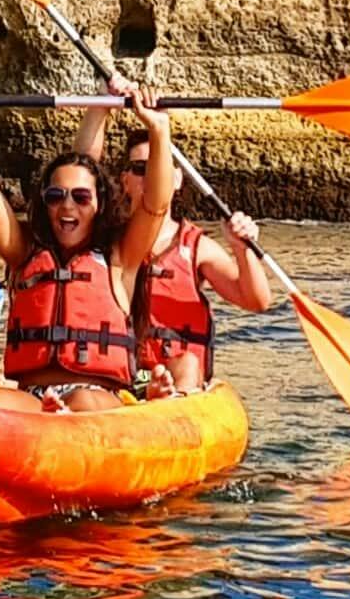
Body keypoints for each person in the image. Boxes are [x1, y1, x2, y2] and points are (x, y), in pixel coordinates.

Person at [0, 83, 176, 412]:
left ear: (99, 205)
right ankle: (48, 420)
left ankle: (66, 420)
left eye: (81, 197)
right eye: (56, 196)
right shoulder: (23, 251)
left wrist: (158, 129)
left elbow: (156, 204)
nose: (67, 206)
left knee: (81, 400)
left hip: (95, 396)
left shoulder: (119, 257)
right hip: (32, 397)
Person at [73, 90, 273, 395]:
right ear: (125, 179)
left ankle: (169, 401)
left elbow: (256, 300)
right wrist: (100, 106)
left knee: (188, 364)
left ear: (176, 179)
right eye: (140, 169)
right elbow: (79, 172)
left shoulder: (196, 247)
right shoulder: (106, 237)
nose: (150, 175)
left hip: (175, 377)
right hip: (118, 375)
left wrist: (242, 249)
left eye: (157, 164)